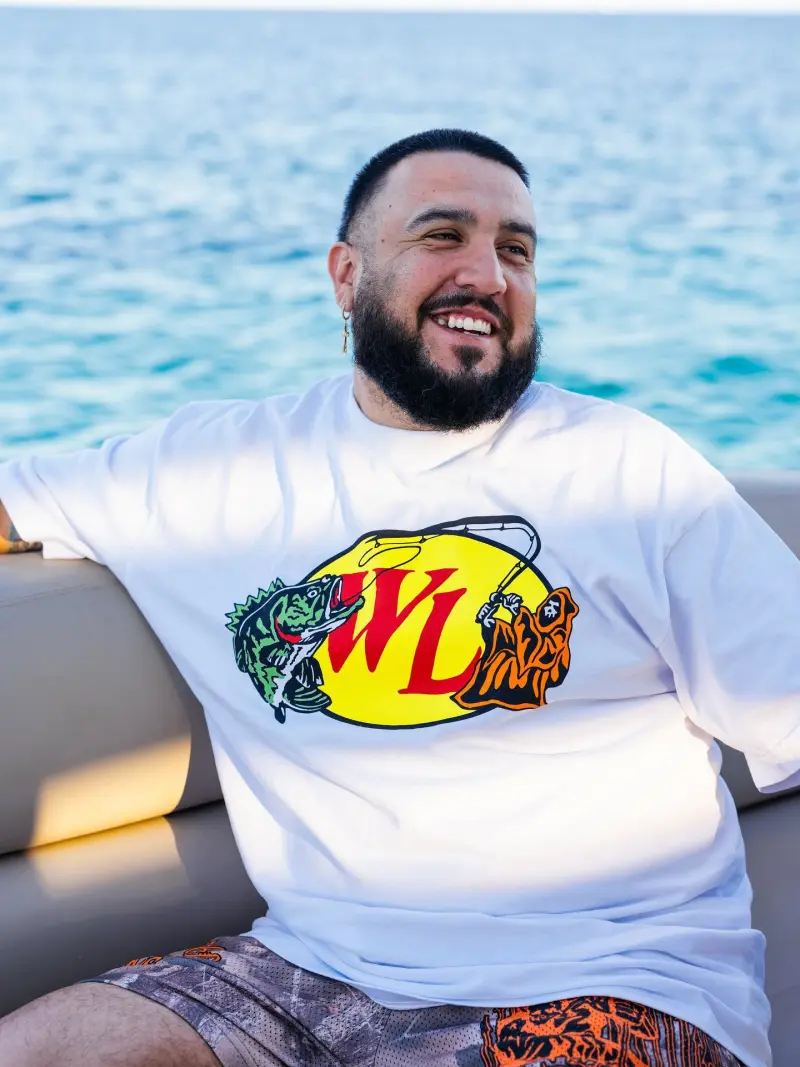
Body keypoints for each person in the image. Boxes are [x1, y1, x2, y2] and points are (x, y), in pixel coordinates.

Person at [0, 128, 797, 1067]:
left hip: (610, 983)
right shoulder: (213, 469)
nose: (488, 275)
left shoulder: (630, 471)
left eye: (516, 250)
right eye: (442, 235)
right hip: (308, 973)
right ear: (347, 276)